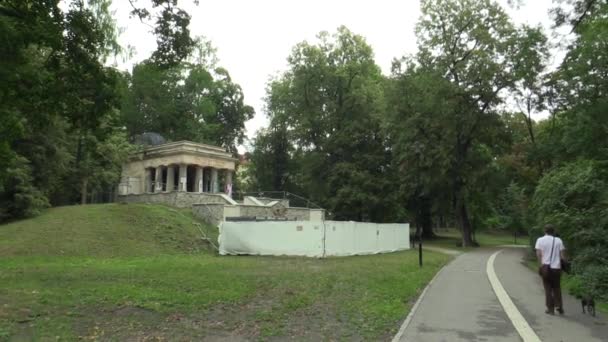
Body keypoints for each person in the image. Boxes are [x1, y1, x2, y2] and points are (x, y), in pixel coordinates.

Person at [535, 224, 567, 315]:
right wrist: (564, 265)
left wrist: (540, 265)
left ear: (544, 231)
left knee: (547, 288)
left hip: (545, 267)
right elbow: (562, 256)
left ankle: (550, 309)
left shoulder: (540, 240)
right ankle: (559, 306)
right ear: (553, 231)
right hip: (556, 268)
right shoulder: (558, 240)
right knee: (557, 287)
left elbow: (538, 254)